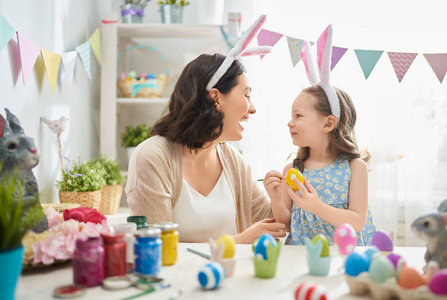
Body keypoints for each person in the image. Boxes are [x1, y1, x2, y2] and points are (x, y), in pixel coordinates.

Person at [126, 15, 286, 244]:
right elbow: (157, 251)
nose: (253, 109)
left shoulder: (234, 161)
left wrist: (282, 195)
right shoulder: (152, 158)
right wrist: (237, 242)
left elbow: (270, 224)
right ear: (216, 98)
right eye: (246, 95)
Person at [263, 25, 376, 246]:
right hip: (301, 258)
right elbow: (286, 224)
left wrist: (314, 206)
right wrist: (275, 197)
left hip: (342, 260)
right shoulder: (293, 171)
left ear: (328, 123)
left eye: (298, 116)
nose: (290, 122)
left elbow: (357, 222)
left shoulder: (354, 167)